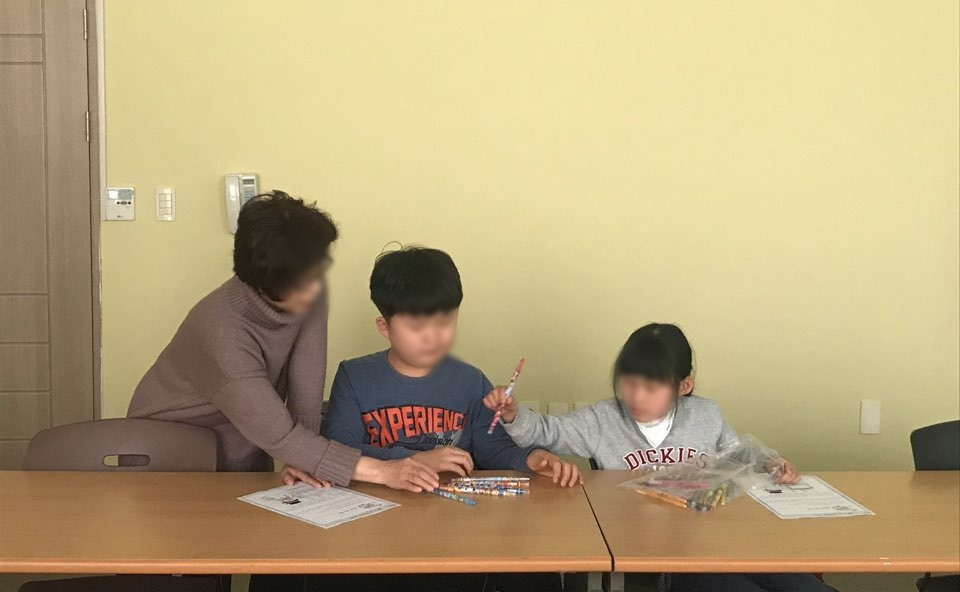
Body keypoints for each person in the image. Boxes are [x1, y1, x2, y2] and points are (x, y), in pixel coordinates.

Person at [127, 191, 439, 495]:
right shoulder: (221, 335)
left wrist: (304, 459)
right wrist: (384, 471)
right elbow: (280, 434)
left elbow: (306, 387)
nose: (317, 289)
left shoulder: (306, 288)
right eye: (305, 282)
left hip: (243, 448)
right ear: (268, 281)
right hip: (169, 457)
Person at [484, 322, 831, 592]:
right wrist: (514, 414)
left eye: (651, 388)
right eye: (628, 383)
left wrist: (773, 463)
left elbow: (739, 456)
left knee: (799, 583)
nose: (635, 396)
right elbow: (545, 431)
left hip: (718, 543)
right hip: (665, 564)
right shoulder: (604, 420)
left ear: (684, 386)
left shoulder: (706, 416)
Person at [321, 246, 580, 592]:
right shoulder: (355, 376)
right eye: (417, 326)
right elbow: (338, 449)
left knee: (530, 567)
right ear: (384, 327)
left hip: (454, 530)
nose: (433, 336)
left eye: (445, 322)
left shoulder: (469, 381)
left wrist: (530, 458)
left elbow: (492, 448)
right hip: (376, 527)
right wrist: (413, 461)